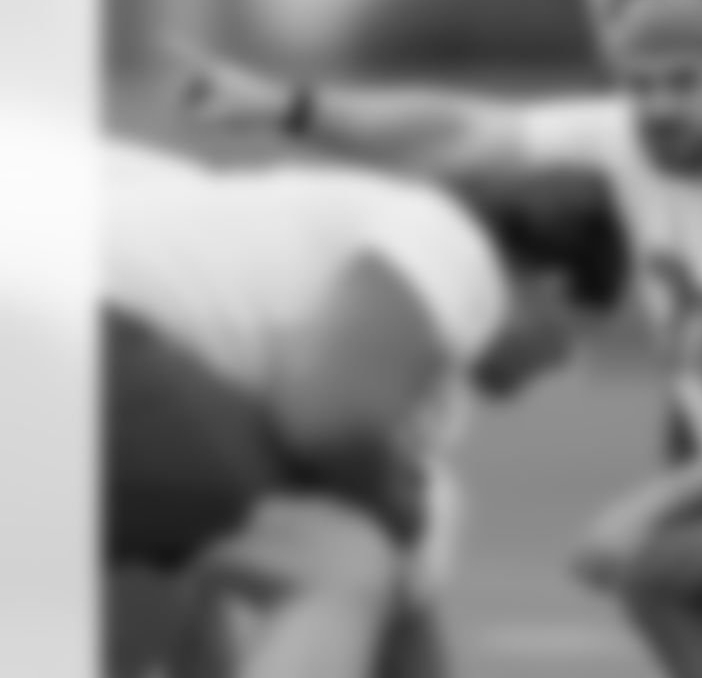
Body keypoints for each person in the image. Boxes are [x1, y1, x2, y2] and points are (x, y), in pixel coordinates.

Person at [104, 143, 591, 678]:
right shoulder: (454, 250)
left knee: (200, 558)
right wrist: (396, 509)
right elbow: (326, 424)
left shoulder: (259, 243)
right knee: (339, 563)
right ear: (554, 291)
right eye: (580, 334)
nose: (565, 358)